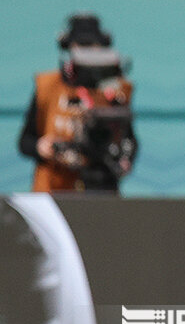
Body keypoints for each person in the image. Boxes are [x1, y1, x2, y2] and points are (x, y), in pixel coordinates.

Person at [17, 13, 136, 193]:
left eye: (92, 46)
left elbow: (129, 139)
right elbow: (25, 141)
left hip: (100, 185)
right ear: (69, 47)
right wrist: (40, 147)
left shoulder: (115, 91)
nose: (86, 52)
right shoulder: (48, 87)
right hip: (54, 186)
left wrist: (123, 161)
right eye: (81, 45)